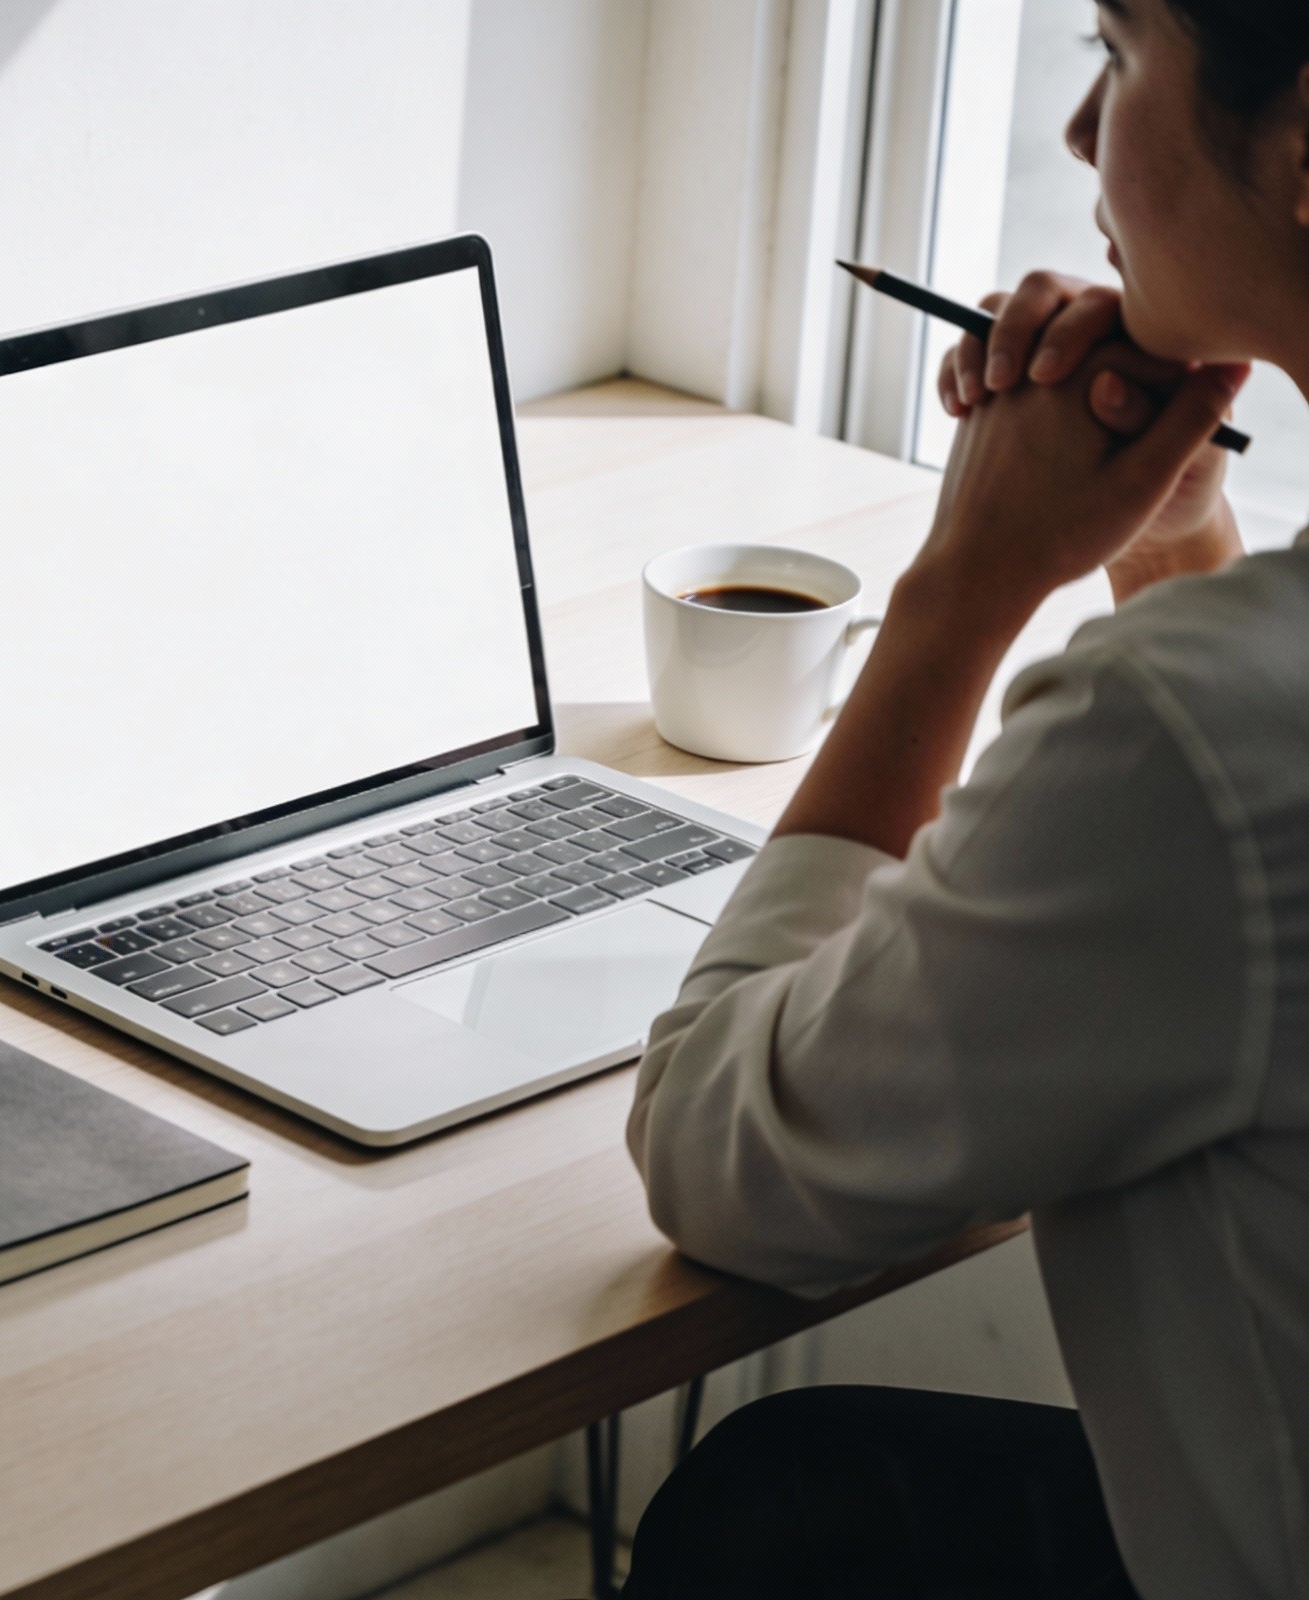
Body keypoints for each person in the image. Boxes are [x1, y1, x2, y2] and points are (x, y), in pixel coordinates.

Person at [619, 2, 1309, 1597]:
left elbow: (726, 1161)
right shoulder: (1228, 726)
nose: (1078, 133)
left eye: (1120, 55)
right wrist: (1163, 536)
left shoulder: (1173, 734)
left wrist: (964, 586)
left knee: (769, 1534)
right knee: (806, 1494)